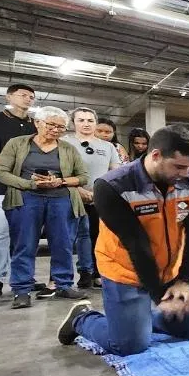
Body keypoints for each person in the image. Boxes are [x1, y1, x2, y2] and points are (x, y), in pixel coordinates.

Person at [56, 125, 189, 356]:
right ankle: (83, 319)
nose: (185, 174)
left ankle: (140, 321)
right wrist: (159, 296)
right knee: (130, 346)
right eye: (179, 166)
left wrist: (184, 280)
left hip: (172, 271)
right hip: (126, 272)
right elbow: (136, 244)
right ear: (156, 155)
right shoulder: (112, 187)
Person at [0, 106, 88, 309]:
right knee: (25, 244)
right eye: (51, 125)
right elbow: (1, 171)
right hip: (26, 199)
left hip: (61, 199)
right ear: (37, 123)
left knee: (63, 244)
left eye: (61, 127)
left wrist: (61, 181)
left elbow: (83, 176)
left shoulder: (68, 148)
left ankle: (63, 284)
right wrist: (30, 184)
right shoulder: (17, 144)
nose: (56, 130)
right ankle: (22, 290)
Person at [0, 83, 36, 300]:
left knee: (26, 235)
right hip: (2, 186)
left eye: (31, 96)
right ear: (9, 96)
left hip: (32, 187)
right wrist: (11, 168)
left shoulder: (36, 124)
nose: (28, 99)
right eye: (23, 95)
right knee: (0, 232)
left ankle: (24, 277)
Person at [62, 107, 120, 288]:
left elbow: (115, 172)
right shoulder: (64, 142)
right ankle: (62, 278)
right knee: (68, 237)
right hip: (70, 195)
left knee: (97, 236)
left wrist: (103, 193)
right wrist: (79, 190)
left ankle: (94, 272)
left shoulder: (107, 146)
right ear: (73, 123)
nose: (86, 124)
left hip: (99, 198)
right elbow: (59, 170)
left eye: (90, 120)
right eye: (81, 120)